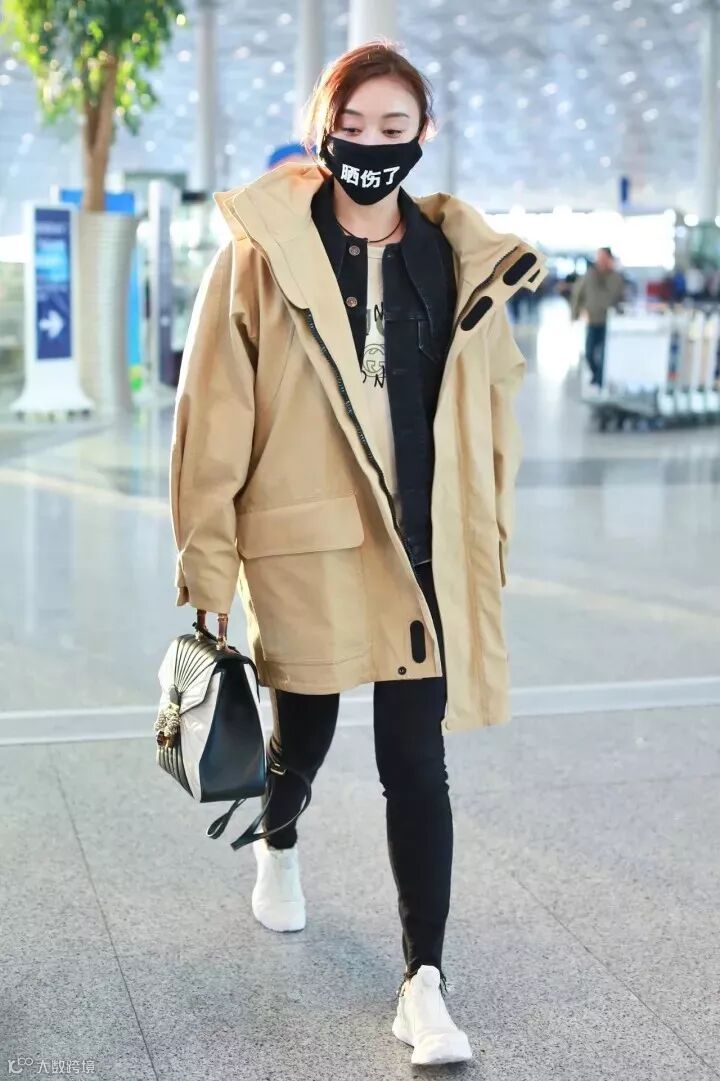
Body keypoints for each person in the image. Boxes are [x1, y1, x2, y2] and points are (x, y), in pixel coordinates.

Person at [169, 40, 546, 1067]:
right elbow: (212, 419)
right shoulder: (261, 256)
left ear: (424, 136)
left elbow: (491, 412)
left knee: (416, 764)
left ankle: (424, 981)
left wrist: (487, 541)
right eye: (353, 126)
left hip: (424, 552)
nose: (372, 145)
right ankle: (278, 838)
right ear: (320, 127)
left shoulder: (454, 258)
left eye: (394, 128)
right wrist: (207, 570)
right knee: (303, 738)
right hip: (309, 543)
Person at [571, 246, 625, 386]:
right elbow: (578, 293)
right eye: (599, 258)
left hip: (609, 322)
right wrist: (575, 314)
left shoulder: (615, 277)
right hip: (592, 320)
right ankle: (596, 375)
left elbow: (619, 297)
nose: (600, 261)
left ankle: (601, 380)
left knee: (605, 354)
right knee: (589, 353)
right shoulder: (589, 275)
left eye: (603, 258)